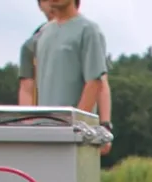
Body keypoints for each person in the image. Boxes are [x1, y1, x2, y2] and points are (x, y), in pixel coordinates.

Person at [29, 0, 114, 155]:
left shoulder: (88, 30)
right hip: (43, 132)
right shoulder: (42, 34)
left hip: (74, 136)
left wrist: (76, 128)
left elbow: (95, 83)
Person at [17, 0, 54, 106]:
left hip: (82, 119)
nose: (53, 3)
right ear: (40, 5)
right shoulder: (31, 45)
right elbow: (26, 89)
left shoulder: (86, 36)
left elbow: (99, 84)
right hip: (45, 118)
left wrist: (104, 121)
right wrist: (27, 120)